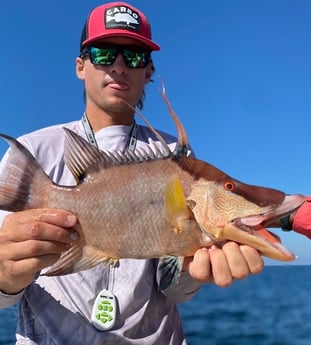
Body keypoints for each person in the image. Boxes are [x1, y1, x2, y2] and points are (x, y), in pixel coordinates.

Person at [0, 2, 266, 344]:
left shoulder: (176, 157)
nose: (120, 67)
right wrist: (6, 275)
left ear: (149, 72)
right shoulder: (33, 151)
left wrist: (193, 273)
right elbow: (3, 293)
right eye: (104, 54)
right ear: (81, 66)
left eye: (135, 56)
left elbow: (173, 287)